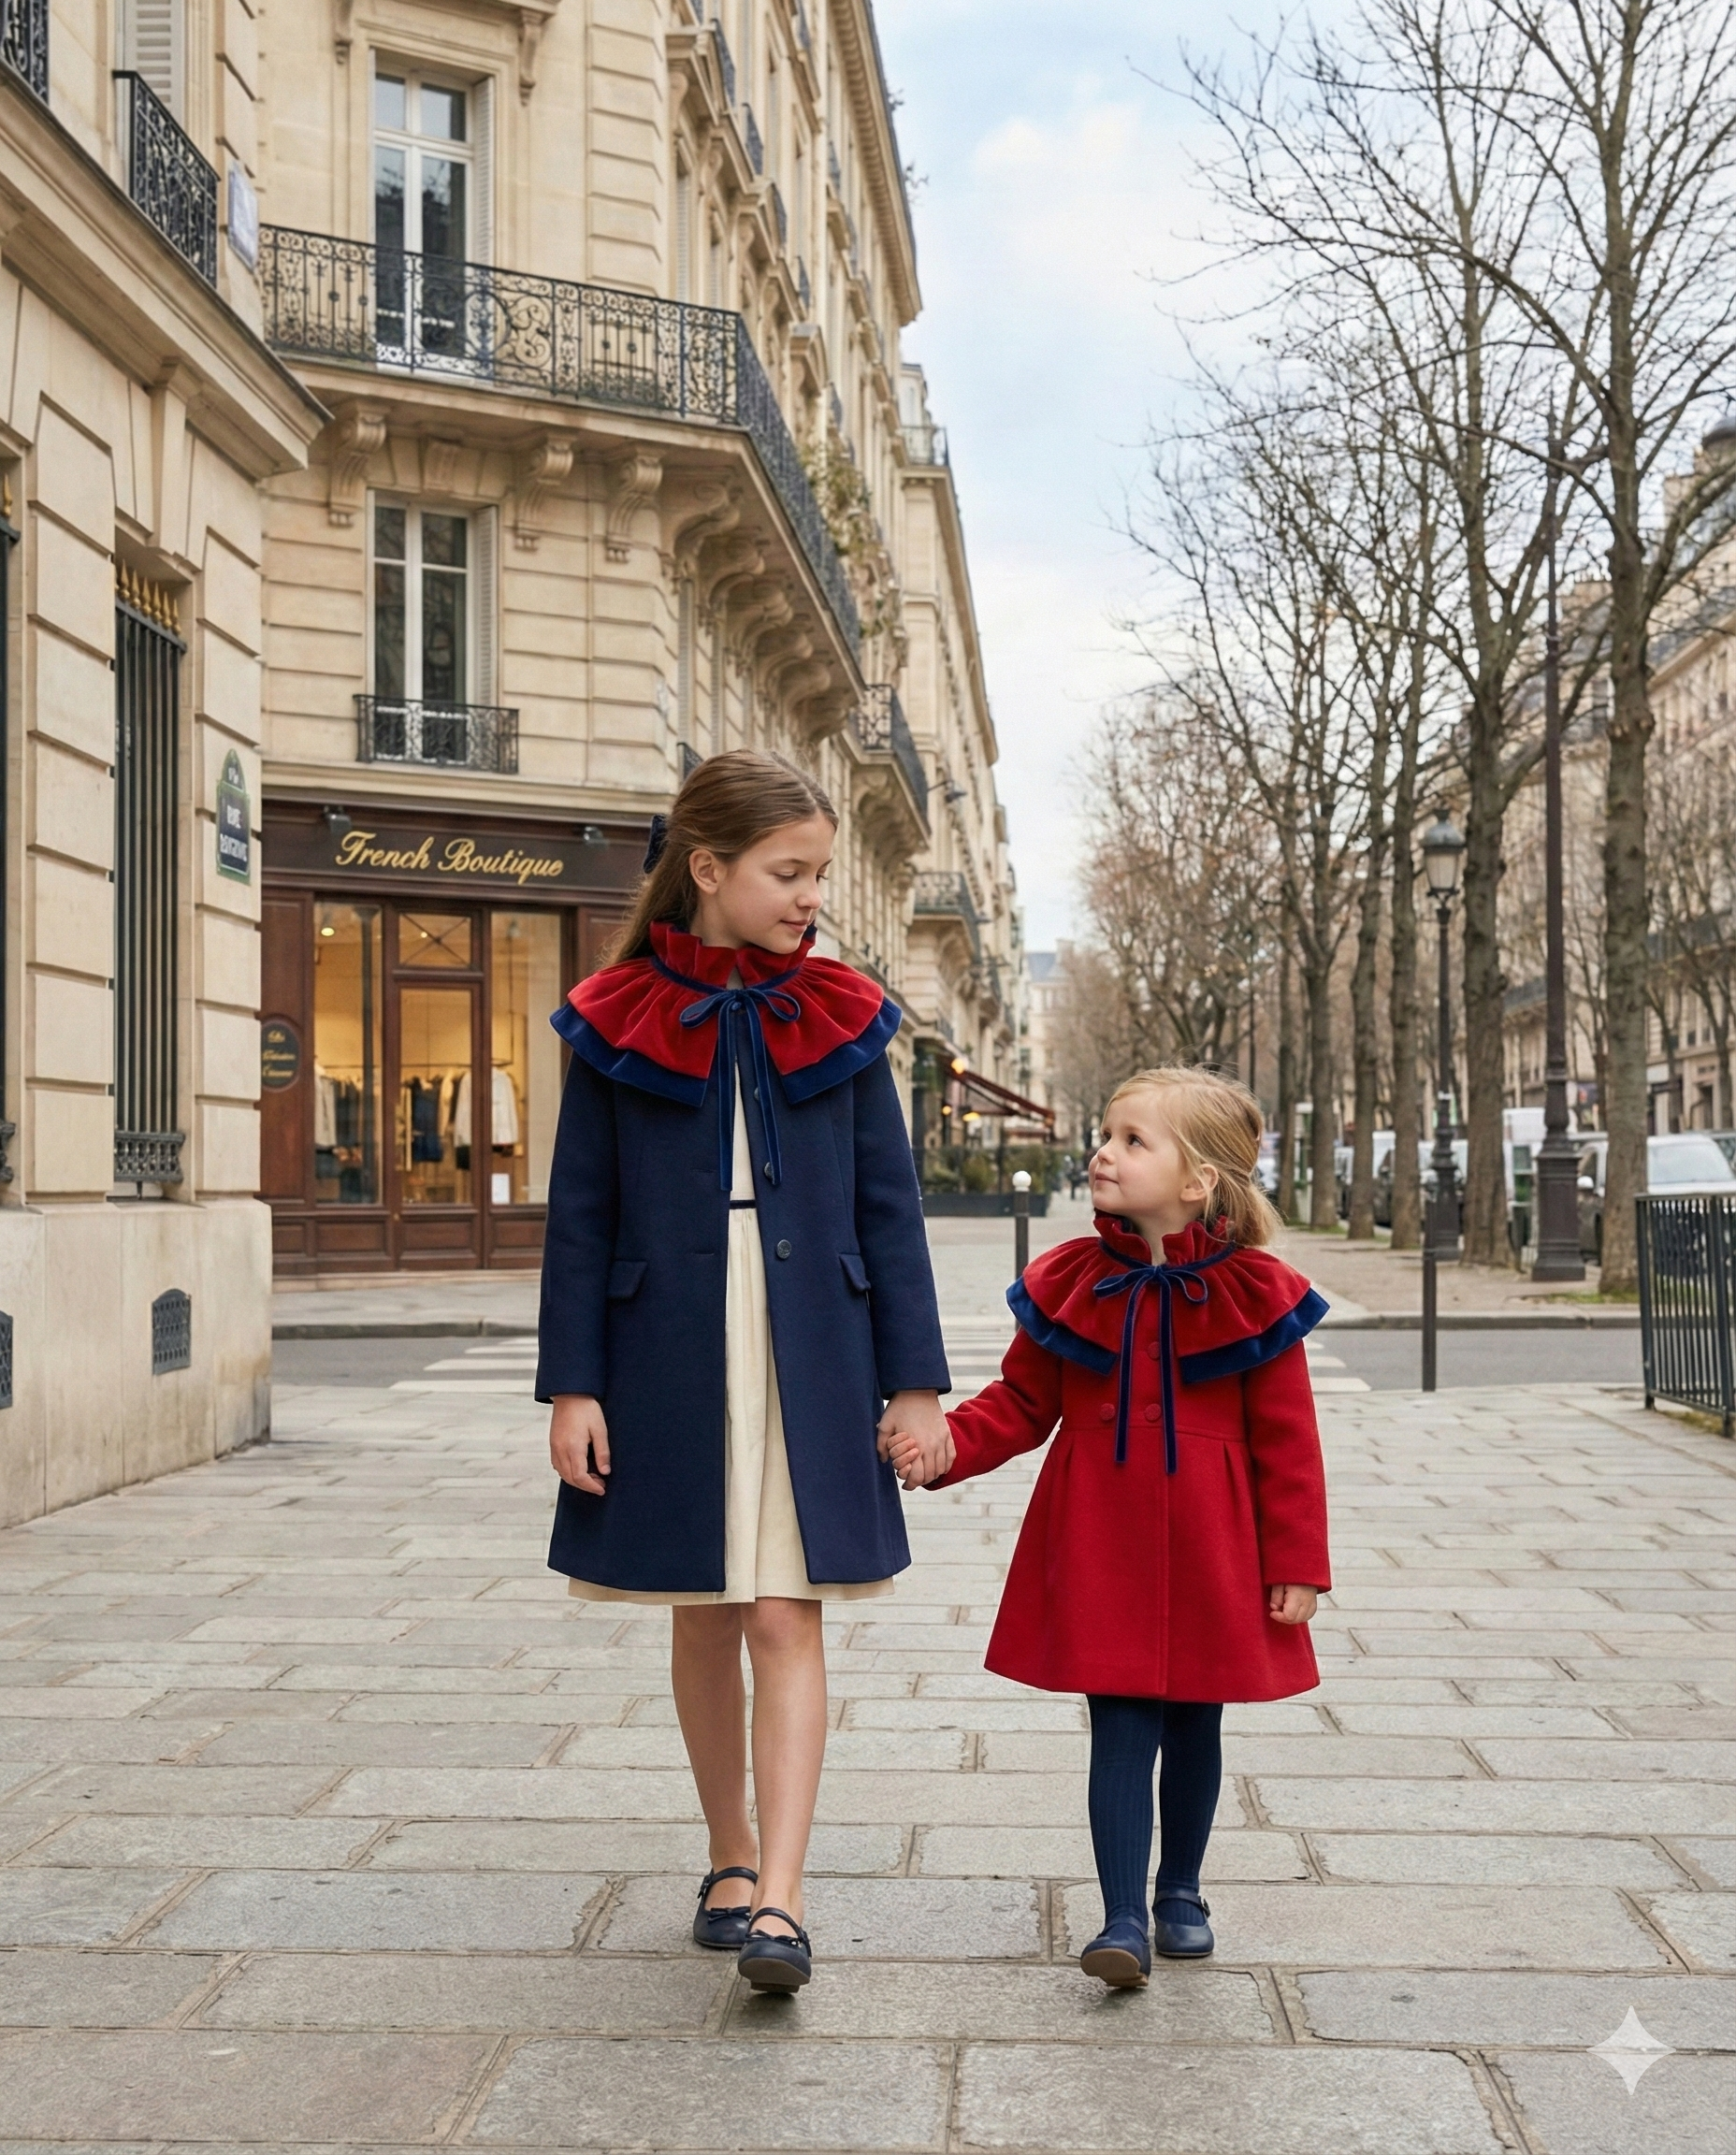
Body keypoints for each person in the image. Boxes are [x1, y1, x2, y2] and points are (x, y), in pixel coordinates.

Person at [536, 750, 949, 1994]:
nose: (810, 894)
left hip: (812, 1341)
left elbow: (893, 1208)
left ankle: (783, 1896)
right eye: (789, 872)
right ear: (706, 870)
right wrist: (574, 1385)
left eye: (819, 873)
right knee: (706, 1608)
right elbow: (579, 1215)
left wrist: (916, 1381)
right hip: (664, 1342)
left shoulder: (844, 1014)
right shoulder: (614, 1013)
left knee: (786, 1607)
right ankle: (727, 1856)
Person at [883, 1064, 1330, 1988]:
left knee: (1196, 1724)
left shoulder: (1257, 1293)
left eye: (1133, 1140)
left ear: (1197, 1179)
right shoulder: (1068, 1282)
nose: (1104, 1151)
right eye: (1106, 1133)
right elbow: (1017, 1402)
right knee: (1119, 1720)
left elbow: (1289, 1445)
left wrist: (1296, 1564)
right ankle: (1121, 1914)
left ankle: (1180, 1892)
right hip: (1099, 1539)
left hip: (1214, 1544)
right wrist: (943, 1448)